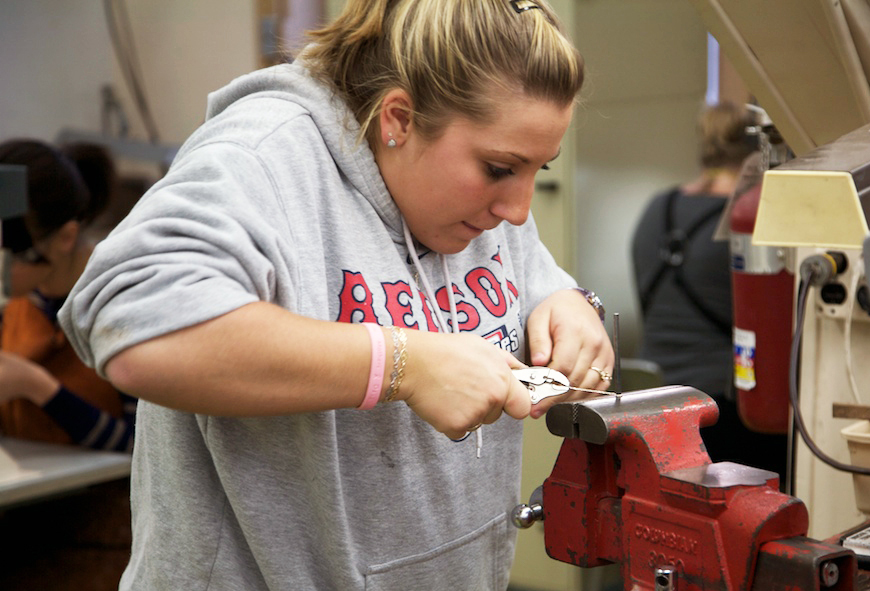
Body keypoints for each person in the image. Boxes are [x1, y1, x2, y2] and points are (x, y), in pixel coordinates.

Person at [58, 1, 612, 589]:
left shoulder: (480, 201)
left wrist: (567, 301)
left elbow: (529, 278)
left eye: (537, 168)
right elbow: (138, 326)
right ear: (398, 118)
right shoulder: (263, 156)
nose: (519, 210)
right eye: (501, 169)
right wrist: (405, 365)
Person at [630, 101, 788, 477]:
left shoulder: (657, 206)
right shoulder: (749, 222)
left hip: (652, 403)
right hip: (722, 410)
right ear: (759, 150)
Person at [0, 139, 135, 452]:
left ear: (65, 237)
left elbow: (142, 447)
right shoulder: (18, 299)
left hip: (100, 496)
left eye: (9, 252)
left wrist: (38, 387)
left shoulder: (120, 303)